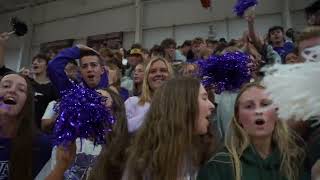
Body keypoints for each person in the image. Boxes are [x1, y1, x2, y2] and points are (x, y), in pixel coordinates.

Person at [197, 82, 307, 180]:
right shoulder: (220, 164)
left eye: (265, 104)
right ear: (238, 117)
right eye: (249, 106)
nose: (258, 111)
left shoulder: (296, 159)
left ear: (276, 113)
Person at [123, 77, 218, 180]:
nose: (212, 105)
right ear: (182, 106)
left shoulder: (203, 156)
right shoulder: (143, 166)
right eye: (204, 98)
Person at [0, 73, 52, 180]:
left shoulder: (41, 145)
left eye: (21, 89)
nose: (12, 91)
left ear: (27, 102)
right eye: (6, 86)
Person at [87, 88, 131, 180]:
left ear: (115, 107)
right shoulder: (75, 140)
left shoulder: (127, 146)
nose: (96, 104)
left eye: (103, 99)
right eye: (91, 100)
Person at [125, 57, 173, 133]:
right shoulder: (132, 102)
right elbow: (124, 129)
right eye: (153, 71)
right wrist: (153, 111)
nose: (158, 74)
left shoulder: (178, 104)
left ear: (170, 75)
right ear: (146, 78)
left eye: (163, 70)